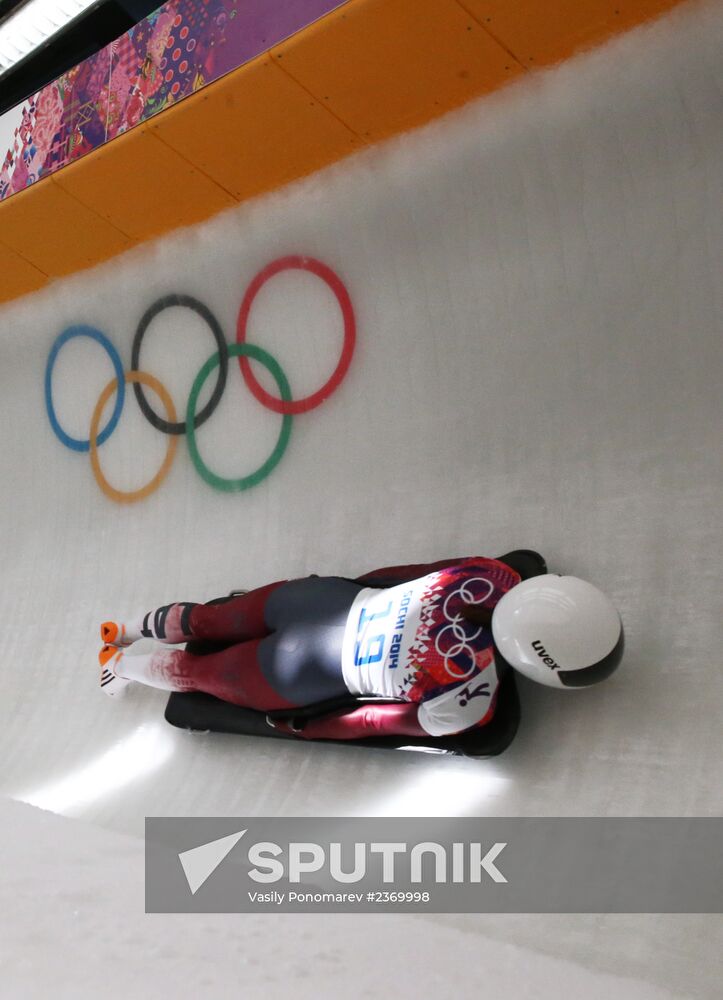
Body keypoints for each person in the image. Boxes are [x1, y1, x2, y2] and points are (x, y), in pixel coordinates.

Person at [98, 553, 624, 741]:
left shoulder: (491, 573)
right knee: (199, 677)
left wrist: (345, 588)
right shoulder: (470, 699)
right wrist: (302, 727)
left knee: (210, 621)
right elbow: (369, 722)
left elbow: (396, 575)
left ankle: (123, 627)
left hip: (316, 602)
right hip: (297, 674)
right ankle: (119, 664)